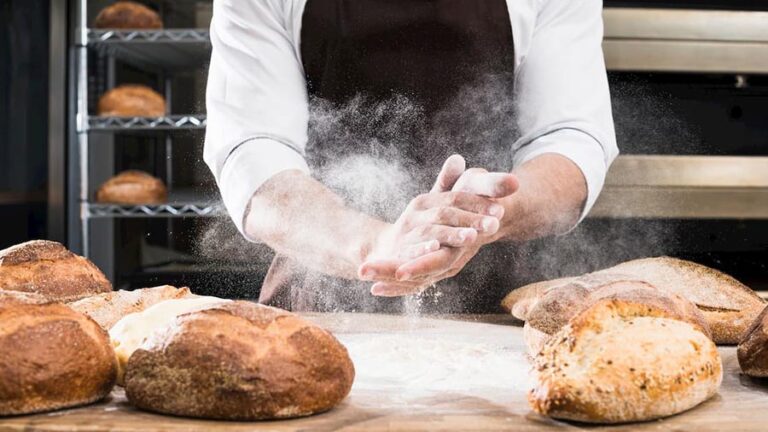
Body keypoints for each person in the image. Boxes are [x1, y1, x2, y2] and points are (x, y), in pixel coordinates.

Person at [204, 0, 618, 313]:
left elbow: (570, 139)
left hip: (500, 304)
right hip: (320, 297)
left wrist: (484, 214)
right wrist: (374, 243)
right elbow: (253, 152)